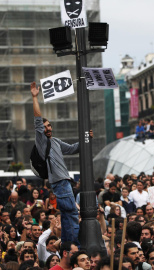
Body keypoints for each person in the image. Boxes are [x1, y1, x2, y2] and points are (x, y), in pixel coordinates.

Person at [30, 81, 93, 245]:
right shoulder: (42, 142)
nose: (48, 128)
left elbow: (73, 149)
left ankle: (66, 244)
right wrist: (35, 97)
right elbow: (37, 120)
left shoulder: (55, 141)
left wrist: (87, 138)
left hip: (64, 182)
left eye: (49, 125)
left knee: (67, 215)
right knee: (72, 213)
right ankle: (74, 246)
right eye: (45, 127)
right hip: (59, 182)